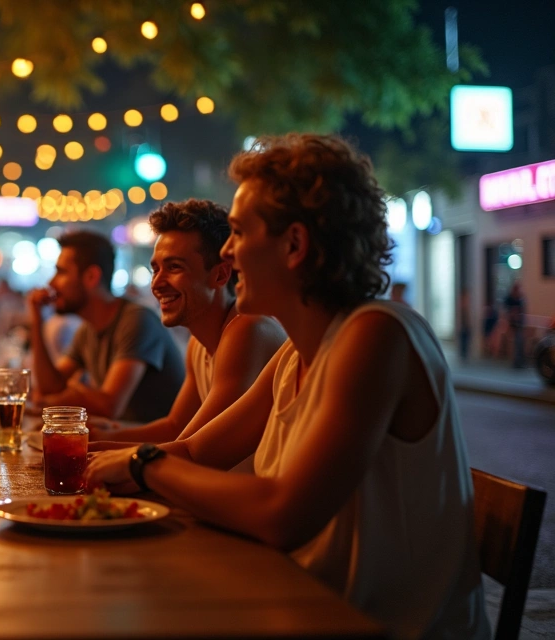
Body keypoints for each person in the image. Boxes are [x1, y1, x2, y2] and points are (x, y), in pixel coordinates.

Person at [86, 134, 489, 639]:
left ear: (294, 245)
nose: (228, 253)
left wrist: (143, 463)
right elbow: (192, 449)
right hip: (296, 603)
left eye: (237, 232)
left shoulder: (376, 335)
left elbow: (282, 514)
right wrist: (88, 456)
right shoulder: (294, 352)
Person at [89, 199, 285, 448]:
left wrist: (87, 449)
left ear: (220, 275)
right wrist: (101, 436)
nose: (157, 283)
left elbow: (192, 449)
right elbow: (175, 427)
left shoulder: (247, 329)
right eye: (155, 269)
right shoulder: (198, 344)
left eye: (174, 267)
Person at [27, 230, 185, 421]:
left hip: (156, 447)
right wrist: (37, 319)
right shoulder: (87, 331)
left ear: (92, 277)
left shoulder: (136, 320)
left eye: (61, 272)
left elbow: (110, 406)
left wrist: (72, 394)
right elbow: (50, 387)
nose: (51, 282)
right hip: (123, 442)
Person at [504, 282, 527, 368]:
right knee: (516, 342)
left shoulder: (520, 299)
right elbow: (506, 310)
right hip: (511, 324)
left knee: (519, 342)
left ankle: (519, 361)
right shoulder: (509, 299)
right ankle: (516, 361)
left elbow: (522, 312)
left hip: (519, 325)